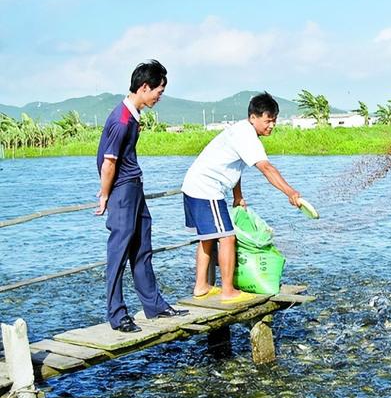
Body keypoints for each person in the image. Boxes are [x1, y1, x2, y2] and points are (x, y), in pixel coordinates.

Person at [96, 59, 188, 333]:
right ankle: (117, 314)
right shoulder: (121, 120)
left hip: (134, 186)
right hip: (122, 190)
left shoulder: (133, 115)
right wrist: (104, 196)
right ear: (144, 87)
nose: (160, 97)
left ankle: (154, 305)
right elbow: (108, 162)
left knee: (142, 247)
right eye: (158, 91)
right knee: (119, 252)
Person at [181, 92, 301, 301]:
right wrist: (290, 192)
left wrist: (238, 196)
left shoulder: (241, 131)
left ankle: (201, 286)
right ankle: (228, 291)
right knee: (227, 237)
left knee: (207, 239)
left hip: (195, 186)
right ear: (253, 117)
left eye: (274, 121)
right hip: (206, 189)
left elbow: (234, 167)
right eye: (268, 120)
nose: (271, 125)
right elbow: (266, 168)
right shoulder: (246, 136)